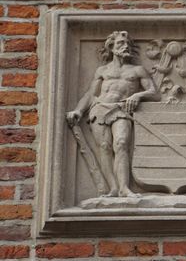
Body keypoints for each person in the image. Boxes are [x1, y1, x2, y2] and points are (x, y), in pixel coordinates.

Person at [66, 31, 158, 197]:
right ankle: (114, 188)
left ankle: (125, 188)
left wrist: (137, 95)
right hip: (99, 109)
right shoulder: (102, 70)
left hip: (121, 109)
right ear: (111, 47)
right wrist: (79, 110)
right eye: (120, 44)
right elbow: (91, 94)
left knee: (121, 143)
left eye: (128, 44)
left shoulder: (137, 70)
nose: (125, 47)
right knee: (105, 147)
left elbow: (154, 92)